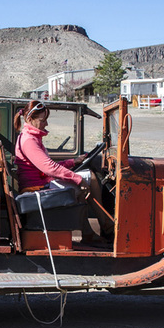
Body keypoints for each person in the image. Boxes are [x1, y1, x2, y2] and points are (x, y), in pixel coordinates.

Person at [14, 100, 113, 241]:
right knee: (89, 178)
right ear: (30, 119)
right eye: (43, 120)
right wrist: (77, 179)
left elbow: (45, 166)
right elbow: (49, 168)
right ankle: (106, 224)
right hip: (37, 188)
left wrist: (73, 162)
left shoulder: (32, 138)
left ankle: (88, 233)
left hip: (43, 182)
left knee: (82, 186)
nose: (46, 124)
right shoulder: (29, 140)